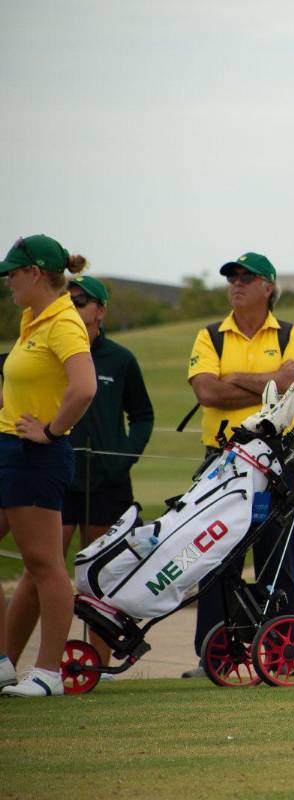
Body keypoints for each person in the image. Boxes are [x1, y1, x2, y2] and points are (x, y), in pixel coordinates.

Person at [182, 252, 294, 678]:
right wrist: (271, 382)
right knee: (218, 557)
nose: (235, 284)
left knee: (277, 558)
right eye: (231, 278)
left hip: (279, 458)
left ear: (268, 287)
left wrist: (235, 378)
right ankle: (216, 657)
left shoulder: (292, 335)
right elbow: (208, 393)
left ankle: (281, 654)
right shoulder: (210, 336)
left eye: (245, 277)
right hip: (221, 458)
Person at [0, 235, 97, 697]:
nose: (8, 283)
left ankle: (47, 673)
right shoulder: (31, 319)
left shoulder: (63, 322)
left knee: (44, 563)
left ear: (35, 273)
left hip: (36, 454)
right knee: (40, 562)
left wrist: (52, 431)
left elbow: (84, 387)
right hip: (9, 449)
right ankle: (3, 662)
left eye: (12, 274)